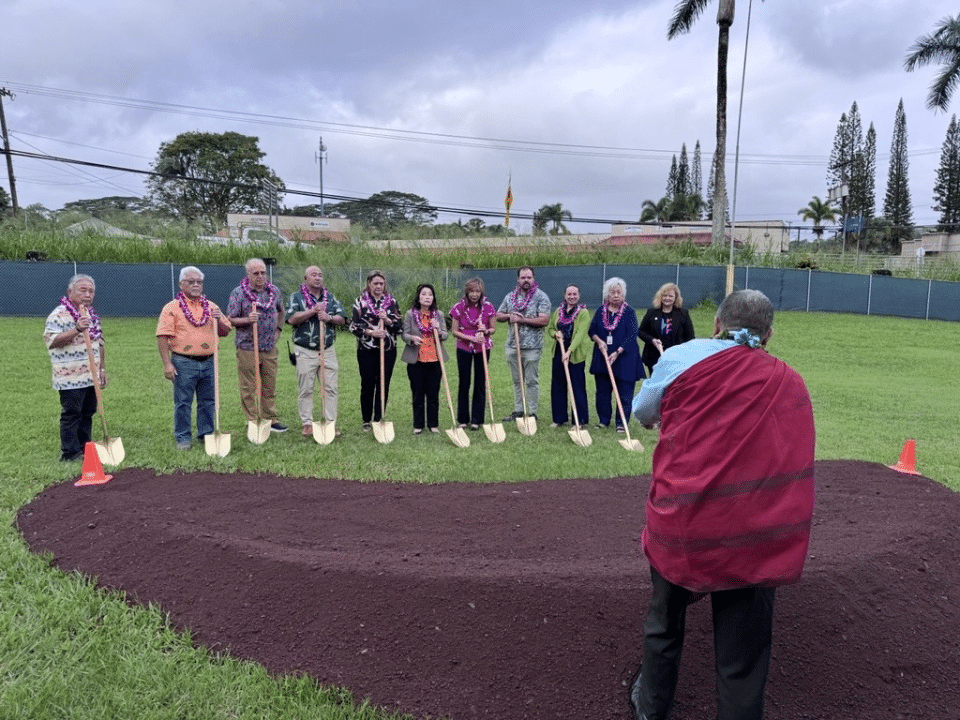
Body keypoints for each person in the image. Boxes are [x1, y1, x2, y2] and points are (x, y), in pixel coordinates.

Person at [629, 289, 816, 720]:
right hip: (753, 533)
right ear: (768, 335)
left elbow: (643, 412)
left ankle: (651, 708)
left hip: (684, 521)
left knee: (664, 622)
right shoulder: (788, 381)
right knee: (743, 654)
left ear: (716, 324)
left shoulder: (681, 357)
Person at [156, 267, 232, 450]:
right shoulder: (171, 308)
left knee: (208, 401)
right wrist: (167, 364)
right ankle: (183, 438)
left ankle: (206, 434)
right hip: (183, 362)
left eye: (199, 282)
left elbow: (225, 331)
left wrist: (218, 320)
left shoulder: (212, 307)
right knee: (183, 402)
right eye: (191, 282)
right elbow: (162, 336)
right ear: (181, 284)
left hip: (209, 361)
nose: (196, 285)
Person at [43, 274, 108, 462]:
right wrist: (77, 329)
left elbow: (99, 343)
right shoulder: (59, 314)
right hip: (70, 377)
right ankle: (70, 453)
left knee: (88, 413)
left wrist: (102, 369)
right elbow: (52, 341)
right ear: (70, 292)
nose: (88, 294)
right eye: (83, 290)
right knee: (72, 414)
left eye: (91, 291)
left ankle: (85, 447)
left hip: (91, 376)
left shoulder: (91, 315)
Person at [227, 258, 288, 433]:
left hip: (269, 347)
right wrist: (247, 319)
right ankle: (252, 420)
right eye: (256, 273)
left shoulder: (274, 291)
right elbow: (230, 319)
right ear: (248, 274)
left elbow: (281, 311)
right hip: (247, 346)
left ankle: (270, 419)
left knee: (269, 384)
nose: (260, 276)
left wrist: (278, 329)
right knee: (249, 386)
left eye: (263, 272)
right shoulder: (239, 293)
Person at [285, 266, 347, 438]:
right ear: (305, 278)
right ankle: (307, 424)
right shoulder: (296, 297)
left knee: (330, 387)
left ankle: (330, 423)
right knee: (306, 388)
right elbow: (291, 318)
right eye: (313, 275)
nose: (318, 278)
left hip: (327, 349)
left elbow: (342, 318)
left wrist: (329, 317)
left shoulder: (330, 298)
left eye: (320, 275)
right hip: (305, 350)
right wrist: (313, 310)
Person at [588, 277, 643, 432]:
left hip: (625, 358)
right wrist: (599, 341)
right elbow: (592, 330)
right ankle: (603, 420)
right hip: (603, 357)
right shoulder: (600, 311)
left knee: (625, 392)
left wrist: (618, 351)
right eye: (612, 292)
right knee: (603, 392)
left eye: (619, 292)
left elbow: (632, 335)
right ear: (607, 294)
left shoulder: (629, 312)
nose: (616, 295)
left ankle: (621, 423)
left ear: (623, 294)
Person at [495, 266, 551, 421]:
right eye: (523, 277)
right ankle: (519, 410)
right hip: (513, 345)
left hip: (532, 346)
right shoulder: (510, 297)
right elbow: (498, 315)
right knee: (517, 380)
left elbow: (544, 320)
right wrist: (509, 316)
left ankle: (532, 412)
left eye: (529, 277)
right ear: (518, 279)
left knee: (531, 380)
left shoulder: (541, 297)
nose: (526, 280)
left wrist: (522, 320)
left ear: (533, 278)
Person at [349, 270, 402, 431]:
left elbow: (399, 327)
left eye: (381, 283)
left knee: (383, 384)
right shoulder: (360, 302)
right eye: (375, 283)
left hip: (388, 350)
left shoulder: (392, 302)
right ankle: (366, 420)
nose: (378, 286)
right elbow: (353, 326)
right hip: (366, 349)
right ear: (369, 284)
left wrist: (387, 320)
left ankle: (379, 418)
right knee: (367, 383)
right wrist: (371, 332)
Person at [449, 277, 497, 430]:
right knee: (464, 382)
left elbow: (493, 328)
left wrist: (486, 330)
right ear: (467, 292)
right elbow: (454, 331)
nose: (474, 294)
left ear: (481, 292)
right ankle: (463, 419)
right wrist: (471, 338)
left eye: (477, 291)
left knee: (480, 382)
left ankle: (477, 420)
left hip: (482, 348)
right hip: (464, 348)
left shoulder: (488, 307)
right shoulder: (459, 307)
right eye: (471, 291)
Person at [401, 284, 449, 434]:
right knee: (418, 394)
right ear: (419, 297)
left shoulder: (438, 314)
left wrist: (438, 330)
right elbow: (404, 334)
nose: (427, 297)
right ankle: (418, 425)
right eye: (424, 294)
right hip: (417, 360)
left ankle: (433, 424)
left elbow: (445, 335)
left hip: (435, 359)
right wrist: (412, 338)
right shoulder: (410, 314)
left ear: (433, 298)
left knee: (433, 393)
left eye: (430, 294)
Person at [544, 283, 591, 428]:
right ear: (565, 295)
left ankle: (580, 420)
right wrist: (555, 333)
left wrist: (569, 351)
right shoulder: (558, 311)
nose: (572, 297)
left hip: (575, 353)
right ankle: (559, 418)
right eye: (569, 294)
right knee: (558, 384)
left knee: (577, 386)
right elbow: (550, 329)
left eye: (574, 294)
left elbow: (580, 334)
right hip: (559, 350)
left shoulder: (583, 313)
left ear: (579, 296)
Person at [637, 282, 696, 377]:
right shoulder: (651, 312)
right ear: (660, 297)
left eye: (670, 296)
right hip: (654, 357)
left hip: (676, 358)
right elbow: (641, 331)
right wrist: (652, 340)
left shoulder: (683, 314)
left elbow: (690, 336)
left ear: (676, 298)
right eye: (665, 295)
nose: (667, 298)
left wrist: (686, 354)